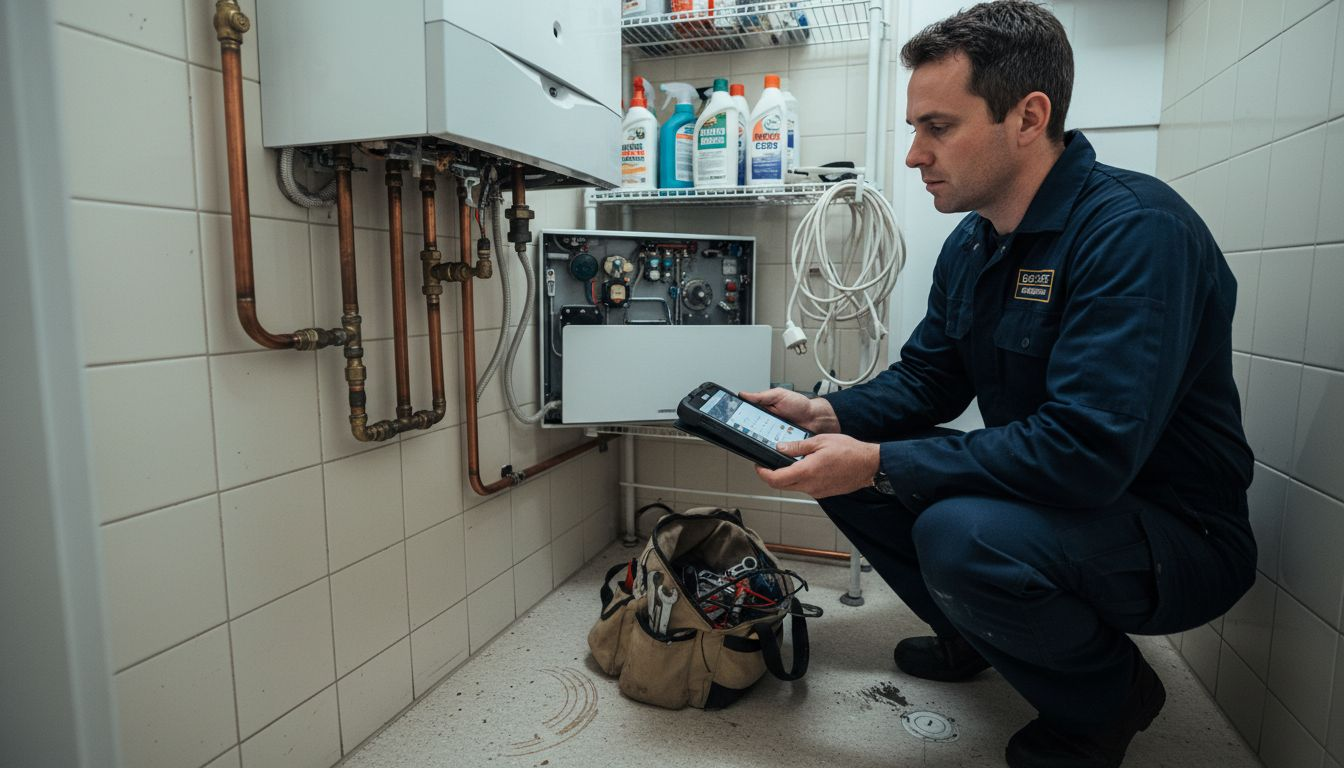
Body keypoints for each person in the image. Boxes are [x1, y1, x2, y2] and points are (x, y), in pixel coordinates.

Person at [741, 2, 1256, 767]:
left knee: (955, 530)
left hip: (1174, 532)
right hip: (1070, 499)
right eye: (916, 127)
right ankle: (972, 632)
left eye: (938, 127)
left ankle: (1107, 702)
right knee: (845, 470)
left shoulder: (1135, 232)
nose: (915, 154)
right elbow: (928, 381)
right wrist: (826, 414)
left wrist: (880, 459)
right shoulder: (975, 242)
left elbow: (1087, 450)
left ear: (1028, 116)